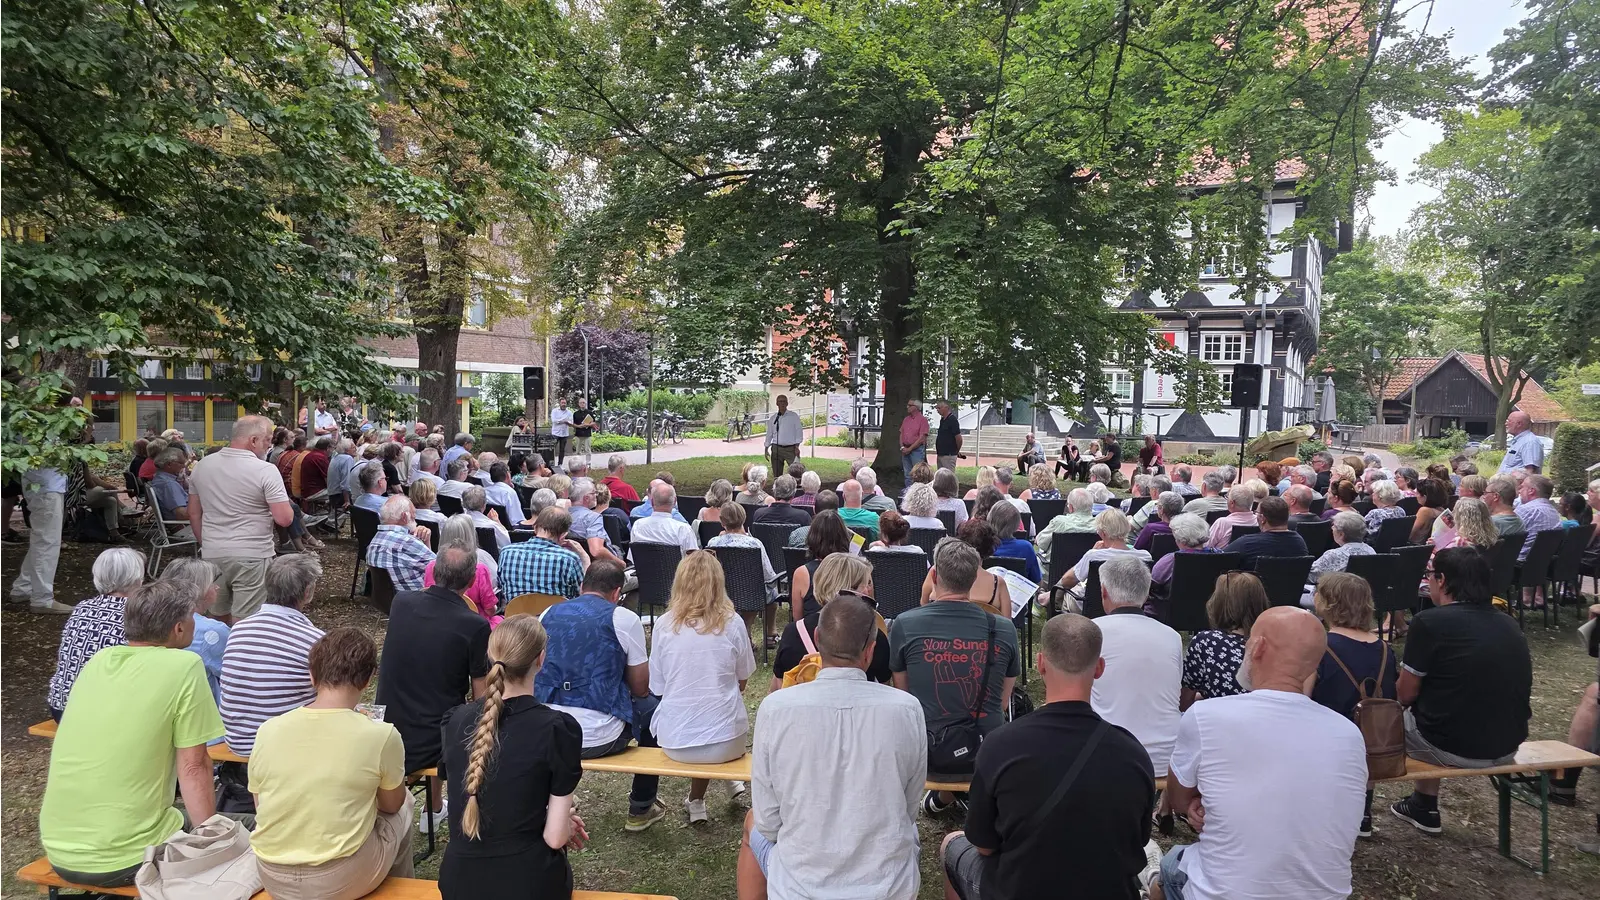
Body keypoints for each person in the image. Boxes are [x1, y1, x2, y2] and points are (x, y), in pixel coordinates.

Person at [1149, 608, 1367, 900]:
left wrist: (1201, 804)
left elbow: (1176, 800)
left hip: (1220, 893)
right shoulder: (1349, 734)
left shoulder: (1206, 715)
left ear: (1258, 646)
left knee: (1167, 865)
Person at [942, 613, 1155, 900]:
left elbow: (984, 846)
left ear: (1041, 663)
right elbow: (1138, 840)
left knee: (950, 844)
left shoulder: (1000, 745)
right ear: (1099, 668)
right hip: (1108, 891)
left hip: (1018, 889)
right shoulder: (1133, 753)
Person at [39, 580, 224, 888]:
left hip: (60, 848)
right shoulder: (184, 664)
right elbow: (194, 767)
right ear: (179, 628)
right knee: (250, 830)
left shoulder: (100, 661)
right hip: (127, 854)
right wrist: (213, 841)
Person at [741, 595, 926, 900]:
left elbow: (769, 822)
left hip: (799, 888)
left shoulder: (775, 708)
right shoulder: (906, 708)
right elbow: (907, 810)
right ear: (870, 650)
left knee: (752, 824)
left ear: (816, 639)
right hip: (887, 887)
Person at [250, 628, 413, 899]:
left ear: (312, 676)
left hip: (271, 873)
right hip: (340, 877)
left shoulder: (268, 730)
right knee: (405, 801)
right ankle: (401, 888)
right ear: (368, 680)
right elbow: (391, 805)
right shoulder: (381, 735)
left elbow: (261, 803)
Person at [1390, 546, 1533, 834]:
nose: (1427, 581)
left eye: (1429, 575)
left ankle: (1362, 816)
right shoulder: (1507, 622)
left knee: (1374, 719)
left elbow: (1404, 695)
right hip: (1506, 744)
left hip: (1451, 744)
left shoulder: (1429, 622)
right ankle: (1422, 805)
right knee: (1439, 703)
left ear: (1441, 580)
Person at [442, 614, 586, 899]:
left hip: (458, 883)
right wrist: (562, 822)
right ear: (540, 659)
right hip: (528, 883)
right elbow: (555, 838)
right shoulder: (557, 729)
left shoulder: (455, 720)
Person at [536, 559, 666, 831]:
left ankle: (548, 799)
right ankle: (641, 807)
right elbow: (641, 688)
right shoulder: (624, 618)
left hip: (544, 732)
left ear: (582, 587)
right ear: (618, 593)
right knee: (655, 710)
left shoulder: (547, 612)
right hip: (599, 736)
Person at [891, 539, 1019, 813]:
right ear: (974, 579)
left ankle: (944, 797)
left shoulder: (905, 623)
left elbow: (903, 698)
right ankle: (950, 798)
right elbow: (1003, 702)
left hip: (924, 753)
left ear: (934, 576)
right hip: (984, 752)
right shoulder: (1004, 629)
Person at [379, 546, 492, 834]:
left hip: (387, 728)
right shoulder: (475, 625)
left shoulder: (401, 602)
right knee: (455, 721)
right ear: (470, 582)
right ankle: (436, 810)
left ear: (434, 571)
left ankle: (434, 809)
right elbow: (481, 697)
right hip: (433, 742)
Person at [649, 551, 757, 824]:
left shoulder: (663, 625)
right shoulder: (732, 623)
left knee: (711, 719)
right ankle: (706, 794)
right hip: (728, 742)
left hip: (676, 739)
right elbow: (743, 680)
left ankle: (698, 800)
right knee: (720, 718)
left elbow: (658, 686)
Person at [1308, 572, 1396, 838]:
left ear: (1328, 603)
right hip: (1373, 737)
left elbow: (1304, 695)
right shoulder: (1384, 649)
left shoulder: (1321, 646)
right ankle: (1363, 814)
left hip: (1328, 734)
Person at [187, 416, 296, 622]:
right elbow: (284, 519)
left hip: (212, 550)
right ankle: (240, 653)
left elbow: (193, 512)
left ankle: (219, 652)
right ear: (253, 440)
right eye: (267, 440)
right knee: (246, 620)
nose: (269, 445)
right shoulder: (265, 470)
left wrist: (206, 541)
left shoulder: (203, 465)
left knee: (217, 615)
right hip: (252, 553)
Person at [219, 554, 324, 756]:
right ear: (308, 592)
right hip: (285, 746)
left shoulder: (239, 629)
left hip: (238, 740)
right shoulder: (315, 640)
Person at [1088, 557, 1179, 777]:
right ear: (1147, 594)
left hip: (1108, 754)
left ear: (1104, 592)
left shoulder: (1091, 631)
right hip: (1167, 757)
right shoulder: (1172, 636)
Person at [45, 547, 147, 719]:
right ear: (138, 577)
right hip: (103, 711)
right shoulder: (137, 612)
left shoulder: (83, 607)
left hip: (62, 706)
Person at [771, 553, 891, 688]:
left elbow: (778, 685)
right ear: (848, 591)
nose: (868, 590)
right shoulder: (873, 637)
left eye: (869, 584)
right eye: (863, 585)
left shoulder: (793, 632)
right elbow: (884, 687)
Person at [1180, 572, 1268, 709]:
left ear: (1218, 603)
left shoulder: (1206, 642)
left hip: (1220, 720)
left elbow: (1184, 701)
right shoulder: (1273, 643)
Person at [162, 558, 232, 703]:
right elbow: (233, 674)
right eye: (213, 583)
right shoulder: (212, 631)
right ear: (200, 590)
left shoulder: (150, 618)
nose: (217, 588)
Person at [495, 507, 584, 601]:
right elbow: (584, 595)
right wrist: (585, 558)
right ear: (563, 536)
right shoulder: (570, 559)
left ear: (535, 527)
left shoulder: (506, 553)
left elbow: (501, 587)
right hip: (555, 615)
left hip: (515, 615)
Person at [789, 511, 855, 620]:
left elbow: (798, 619)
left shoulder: (802, 573)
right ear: (843, 536)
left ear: (813, 537)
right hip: (849, 632)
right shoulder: (856, 570)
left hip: (813, 632)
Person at [1222, 496, 1308, 570]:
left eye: (1257, 513)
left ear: (1262, 519)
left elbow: (1220, 560)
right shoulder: (1300, 542)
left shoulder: (1247, 543)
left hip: (1253, 589)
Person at [631, 480, 699, 557]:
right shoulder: (683, 529)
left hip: (642, 568)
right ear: (674, 502)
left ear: (652, 502)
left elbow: (633, 558)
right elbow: (693, 561)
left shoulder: (637, 525)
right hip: (677, 569)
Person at [1150, 513, 1214, 591]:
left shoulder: (1170, 560)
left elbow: (1154, 582)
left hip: (1174, 602)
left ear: (1182, 540)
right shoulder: (1219, 554)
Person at [988, 502, 1042, 583]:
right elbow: (1036, 579)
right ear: (1016, 525)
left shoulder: (983, 546)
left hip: (988, 592)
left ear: (990, 519)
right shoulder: (1025, 547)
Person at [1035, 487, 1098, 554]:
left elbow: (1040, 542)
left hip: (1056, 563)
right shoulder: (1099, 525)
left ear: (1071, 507)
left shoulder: (1060, 522)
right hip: (1087, 564)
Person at [765, 395, 805, 475]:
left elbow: (799, 431)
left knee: (796, 472)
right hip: (776, 448)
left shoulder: (793, 416)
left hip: (790, 449)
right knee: (777, 473)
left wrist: (797, 446)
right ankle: (778, 486)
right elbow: (769, 434)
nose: (782, 403)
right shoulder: (773, 418)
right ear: (777, 403)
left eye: (784, 401)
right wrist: (766, 448)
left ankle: (795, 486)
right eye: (780, 401)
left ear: (787, 403)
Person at [1484, 475, 1527, 543]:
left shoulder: (1491, 522)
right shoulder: (1520, 521)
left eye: (1485, 493)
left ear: (1496, 496)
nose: (1484, 497)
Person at [899, 399, 931, 484]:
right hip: (905, 449)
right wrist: (902, 447)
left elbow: (922, 438)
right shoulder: (906, 419)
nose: (907, 407)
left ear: (916, 407)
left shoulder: (923, 420)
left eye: (910, 405)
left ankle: (917, 493)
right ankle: (908, 493)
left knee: (918, 474)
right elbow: (901, 433)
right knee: (907, 474)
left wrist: (910, 449)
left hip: (917, 450)